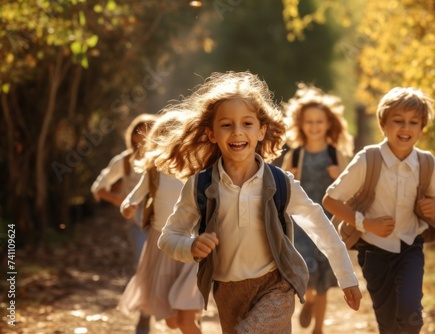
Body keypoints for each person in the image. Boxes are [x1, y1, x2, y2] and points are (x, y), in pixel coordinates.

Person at [155, 71, 362, 334]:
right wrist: (191, 246)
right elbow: (169, 237)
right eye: (227, 125)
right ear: (211, 134)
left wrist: (347, 278)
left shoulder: (280, 183)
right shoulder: (201, 186)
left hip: (277, 284)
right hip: (227, 288)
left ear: (261, 130)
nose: (237, 132)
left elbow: (321, 227)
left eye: (247, 123)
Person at [322, 87, 435, 334]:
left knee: (411, 314)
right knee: (387, 321)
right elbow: (330, 201)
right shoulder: (369, 159)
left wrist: (432, 207)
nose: (405, 128)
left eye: (413, 123)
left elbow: (433, 198)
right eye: (398, 121)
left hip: (411, 245)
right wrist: (366, 224)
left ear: (422, 127)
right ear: (383, 123)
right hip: (373, 250)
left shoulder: (427, 163)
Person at [118, 111, 204, 334]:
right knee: (171, 321)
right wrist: (128, 206)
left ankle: (192, 316)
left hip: (191, 245)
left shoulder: (198, 168)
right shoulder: (154, 170)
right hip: (161, 245)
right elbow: (134, 195)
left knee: (185, 320)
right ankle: (190, 318)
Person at [280, 83, 354, 334]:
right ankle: (308, 299)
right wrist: (290, 175)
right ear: (301, 124)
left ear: (329, 124)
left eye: (319, 121)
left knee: (322, 279)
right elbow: (282, 188)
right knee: (306, 272)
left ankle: (319, 329)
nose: (314, 126)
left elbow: (348, 191)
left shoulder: (336, 155)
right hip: (300, 226)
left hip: (327, 225)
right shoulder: (296, 155)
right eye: (309, 121)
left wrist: (337, 176)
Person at [90, 113, 157, 333]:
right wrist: (121, 200)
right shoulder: (125, 161)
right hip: (139, 227)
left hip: (169, 227)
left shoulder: (165, 159)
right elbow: (98, 187)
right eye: (139, 138)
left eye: (148, 137)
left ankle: (178, 314)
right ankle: (145, 315)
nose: (143, 143)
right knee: (145, 268)